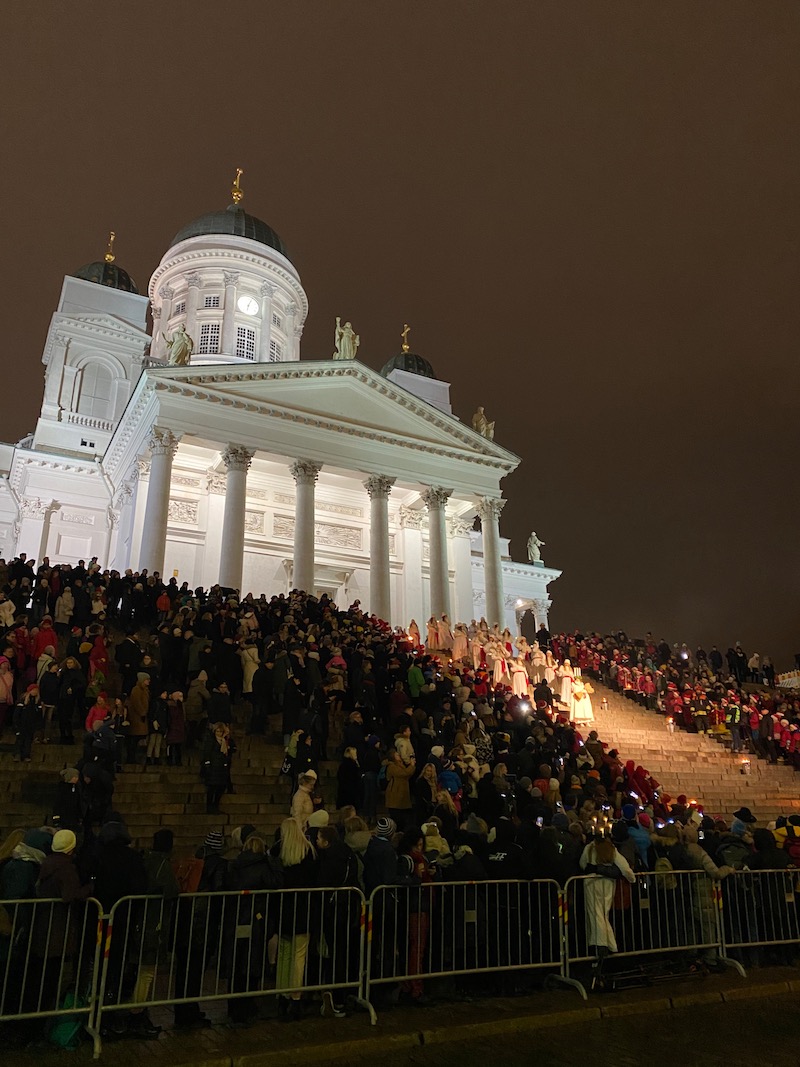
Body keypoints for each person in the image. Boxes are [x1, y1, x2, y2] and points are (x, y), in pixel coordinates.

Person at [275, 818, 318, 1020]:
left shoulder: (280, 852)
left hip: (284, 907)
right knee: (299, 955)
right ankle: (295, 995)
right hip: (302, 907)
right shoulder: (308, 852)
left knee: (284, 952)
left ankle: (281, 993)